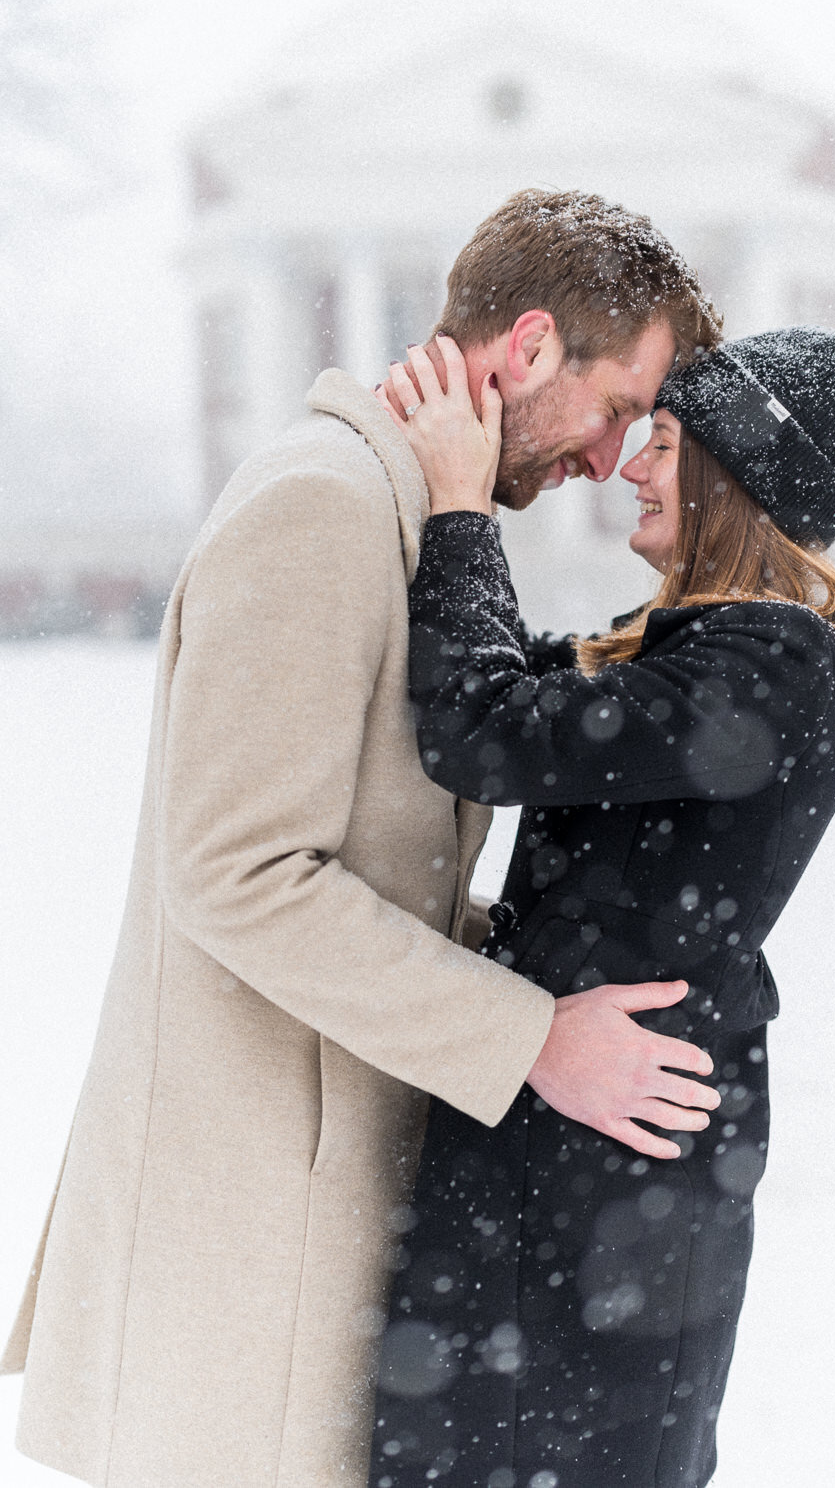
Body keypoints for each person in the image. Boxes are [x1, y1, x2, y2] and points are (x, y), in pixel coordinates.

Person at [0, 190, 723, 1488]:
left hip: (325, 1218)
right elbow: (233, 871)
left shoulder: (407, 514)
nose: (615, 457)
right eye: (617, 406)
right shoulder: (323, 505)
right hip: (252, 1248)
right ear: (529, 346)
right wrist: (529, 1040)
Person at [368, 327, 835, 1487]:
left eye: (661, 443)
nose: (632, 468)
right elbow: (497, 678)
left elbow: (486, 730)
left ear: (731, 478)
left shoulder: (777, 658)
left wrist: (463, 509)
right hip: (578, 1143)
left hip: (609, 1170)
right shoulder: (697, 648)